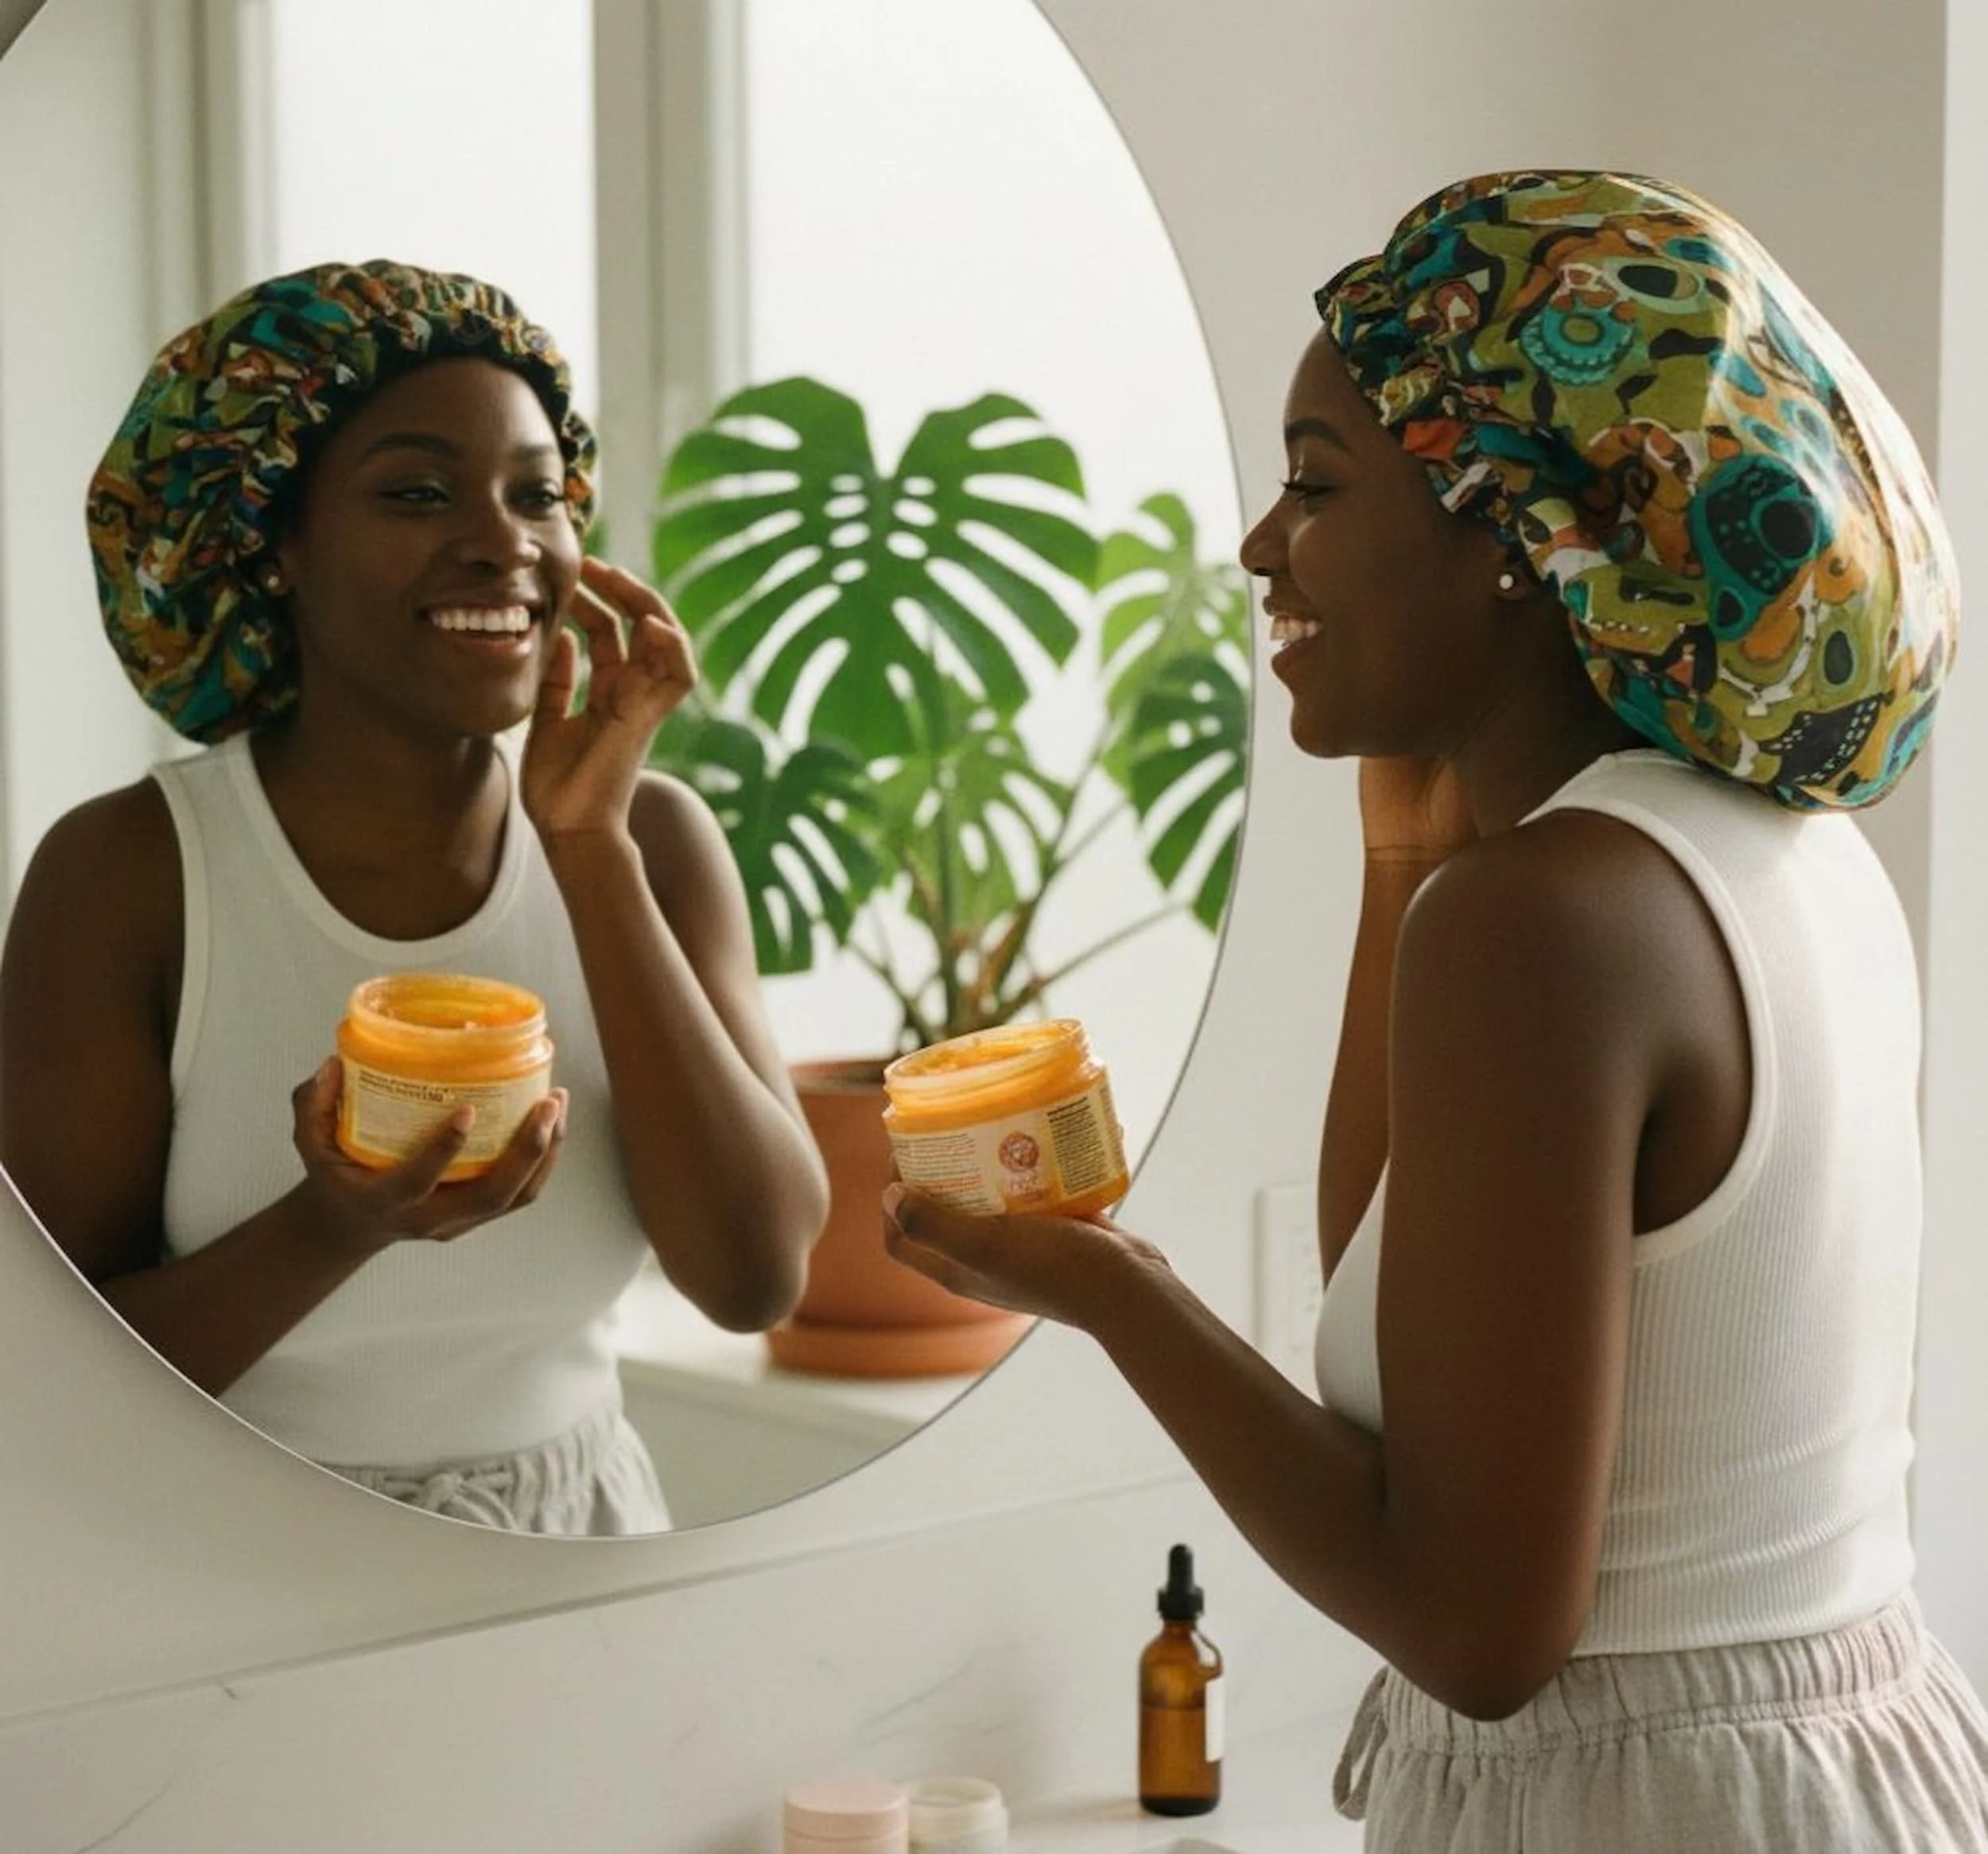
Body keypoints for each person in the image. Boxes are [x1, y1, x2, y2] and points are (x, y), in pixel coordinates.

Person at [883, 170, 1988, 1849]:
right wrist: (1403, 856)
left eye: (1316, 483)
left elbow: (1474, 1631)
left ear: (1516, 532)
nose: (1260, 545)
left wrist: (1112, 1289)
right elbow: (1409, 1339)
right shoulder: (1777, 853)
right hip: (1839, 1767)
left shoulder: (1545, 920)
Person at [0, 259, 829, 1535]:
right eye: (417, 493)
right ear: (273, 541)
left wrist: (588, 849)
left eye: (538, 495)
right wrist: (336, 1224)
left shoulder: (649, 840)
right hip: (229, 1566)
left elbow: (755, 1279)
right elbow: (48, 1378)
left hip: (583, 1548)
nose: (505, 542)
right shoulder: (131, 874)